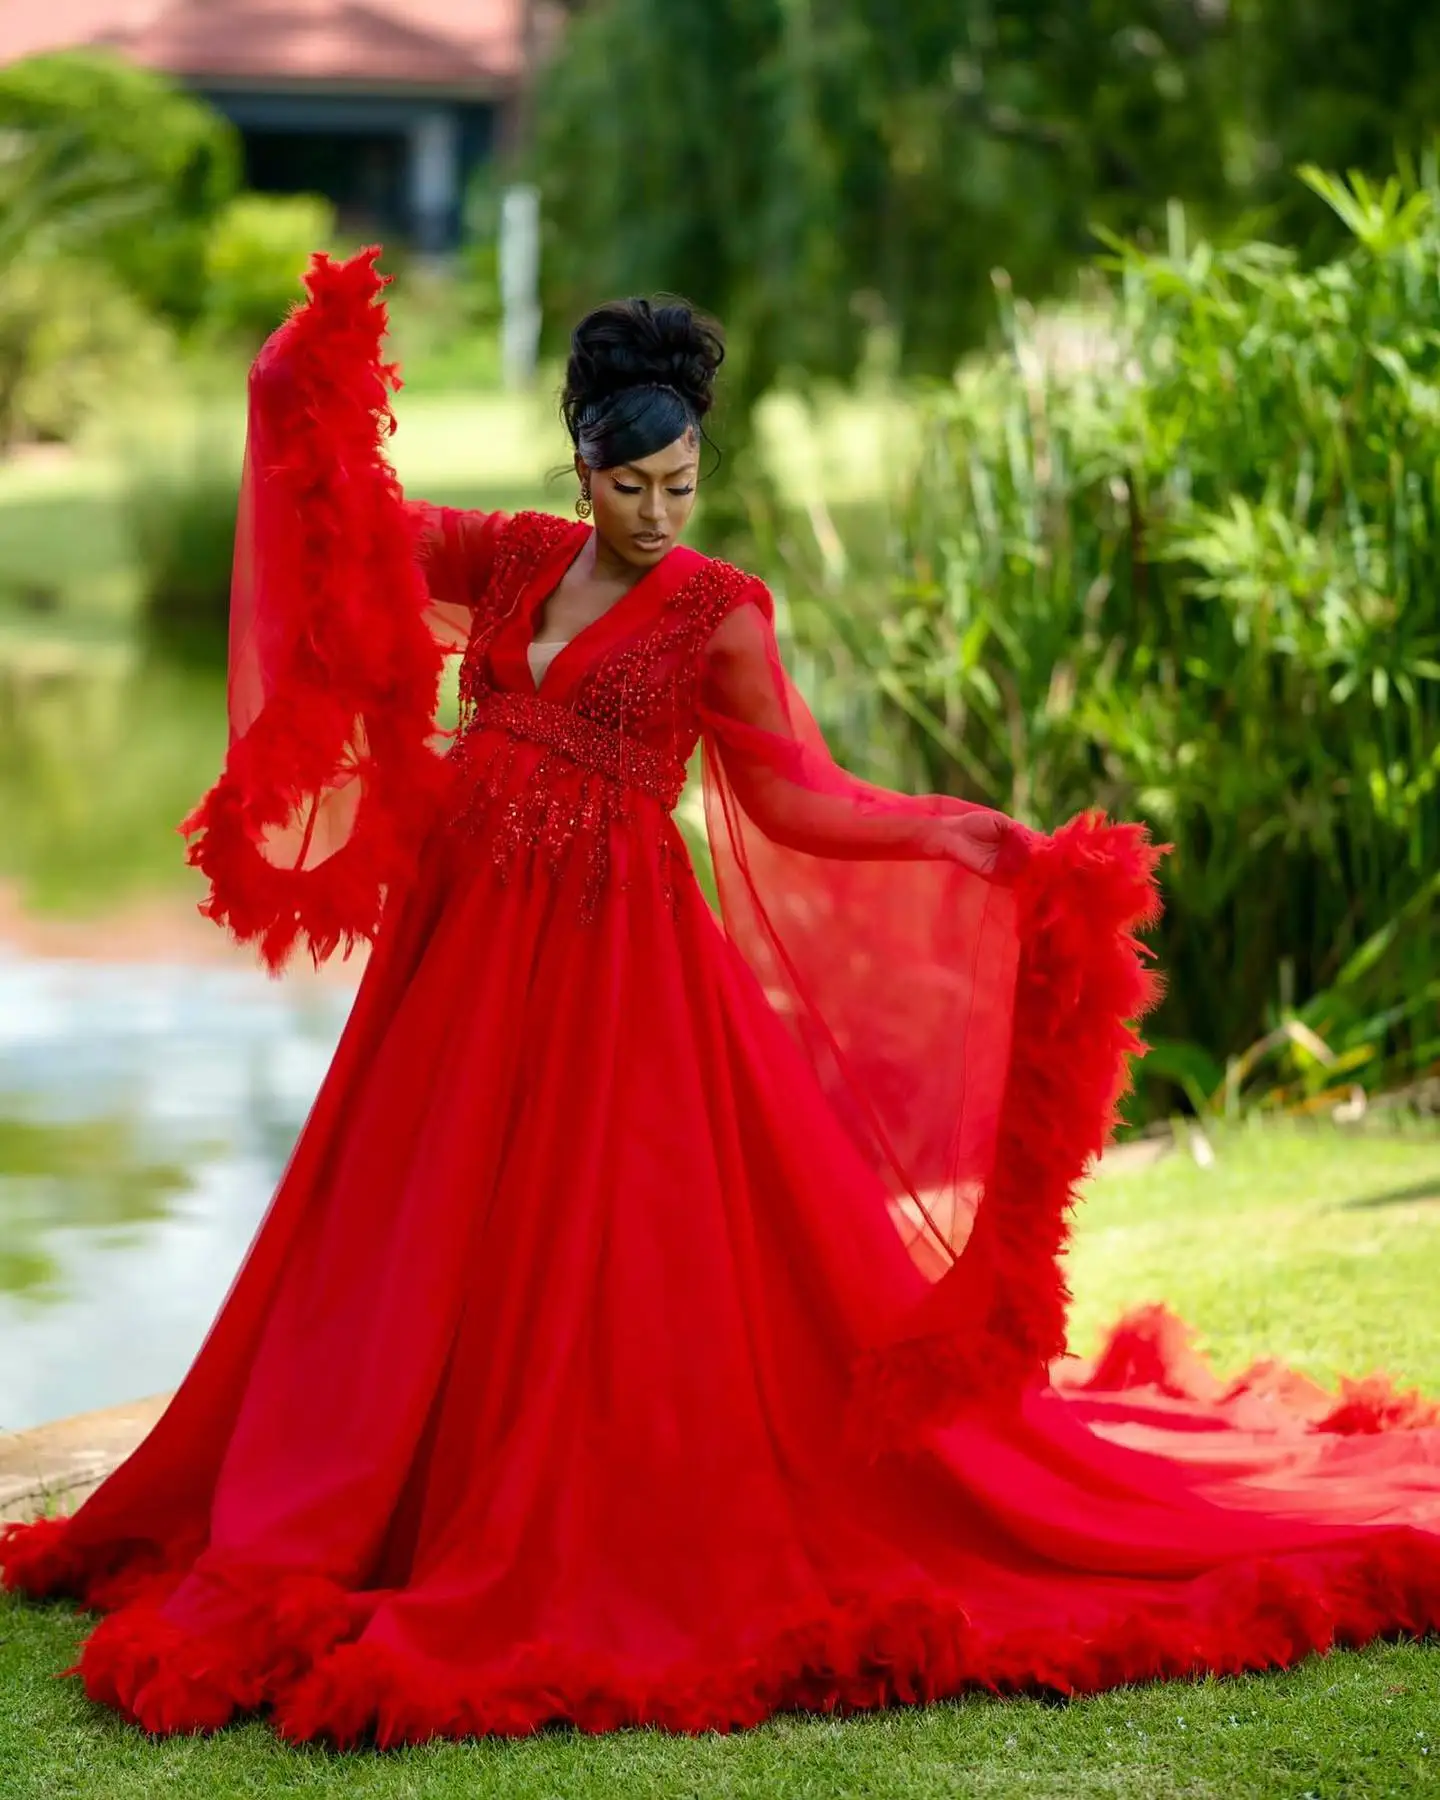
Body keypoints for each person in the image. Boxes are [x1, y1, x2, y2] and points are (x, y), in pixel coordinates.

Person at [2, 248, 1435, 1747]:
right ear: (583, 468)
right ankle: (375, 1489)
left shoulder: (719, 615)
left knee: (592, 1247)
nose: (661, 512)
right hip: (456, 961)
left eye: (683, 483)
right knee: (413, 1225)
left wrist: (971, 839)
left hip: (616, 968)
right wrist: (309, 370)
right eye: (634, 487)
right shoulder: (507, 559)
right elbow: (344, 528)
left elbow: (801, 800)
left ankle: (565, 1511)